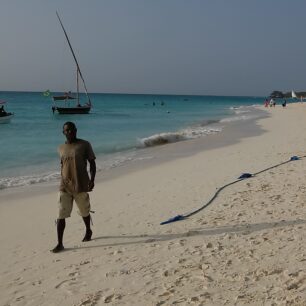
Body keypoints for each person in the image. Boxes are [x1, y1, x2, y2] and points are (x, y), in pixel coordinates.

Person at [52, 121, 96, 253]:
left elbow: (92, 163)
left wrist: (92, 180)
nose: (70, 132)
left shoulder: (84, 144)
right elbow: (63, 166)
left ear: (76, 130)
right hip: (64, 186)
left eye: (72, 130)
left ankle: (88, 230)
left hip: (81, 184)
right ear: (63, 132)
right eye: (67, 130)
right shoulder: (60, 148)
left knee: (84, 211)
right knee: (61, 214)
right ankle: (60, 243)